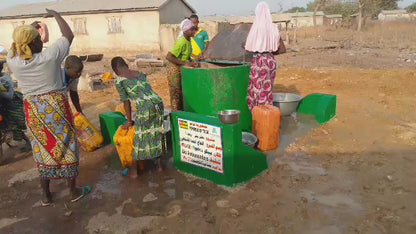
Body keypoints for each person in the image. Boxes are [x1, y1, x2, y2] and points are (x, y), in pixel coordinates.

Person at [6, 9, 90, 206]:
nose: (40, 42)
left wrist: (33, 30)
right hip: (56, 108)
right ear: (34, 42)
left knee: (42, 149)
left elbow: (16, 45)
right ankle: (73, 191)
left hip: (33, 111)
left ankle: (46, 195)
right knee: (67, 146)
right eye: (37, 39)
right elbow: (68, 35)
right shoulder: (50, 57)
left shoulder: (13, 60)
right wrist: (55, 15)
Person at [111, 57, 164, 178]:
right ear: (126, 65)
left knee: (139, 138)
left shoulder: (120, 81)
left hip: (145, 108)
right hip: (158, 103)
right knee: (157, 132)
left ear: (115, 69)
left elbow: (126, 102)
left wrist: (129, 121)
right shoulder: (140, 74)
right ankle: (160, 166)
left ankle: (134, 172)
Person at [244, 1, 286, 112]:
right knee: (267, 90)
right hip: (271, 61)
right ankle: (268, 117)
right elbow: (282, 49)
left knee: (257, 91)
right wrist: (269, 52)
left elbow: (248, 47)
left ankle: (260, 118)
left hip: (259, 61)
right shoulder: (274, 28)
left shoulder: (255, 28)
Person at [166, 19, 198, 111]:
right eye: (191, 30)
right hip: (174, 69)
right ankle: (176, 113)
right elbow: (169, 56)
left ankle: (181, 111)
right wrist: (185, 63)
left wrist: (192, 60)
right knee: (176, 93)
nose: (193, 31)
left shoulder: (189, 41)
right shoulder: (181, 42)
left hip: (180, 68)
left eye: (194, 29)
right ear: (185, 31)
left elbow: (185, 55)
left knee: (181, 92)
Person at [0, 60, 31, 151]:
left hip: (12, 105)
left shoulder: (5, 79)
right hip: (4, 105)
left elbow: (9, 95)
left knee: (17, 125)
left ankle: (29, 143)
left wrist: (1, 93)